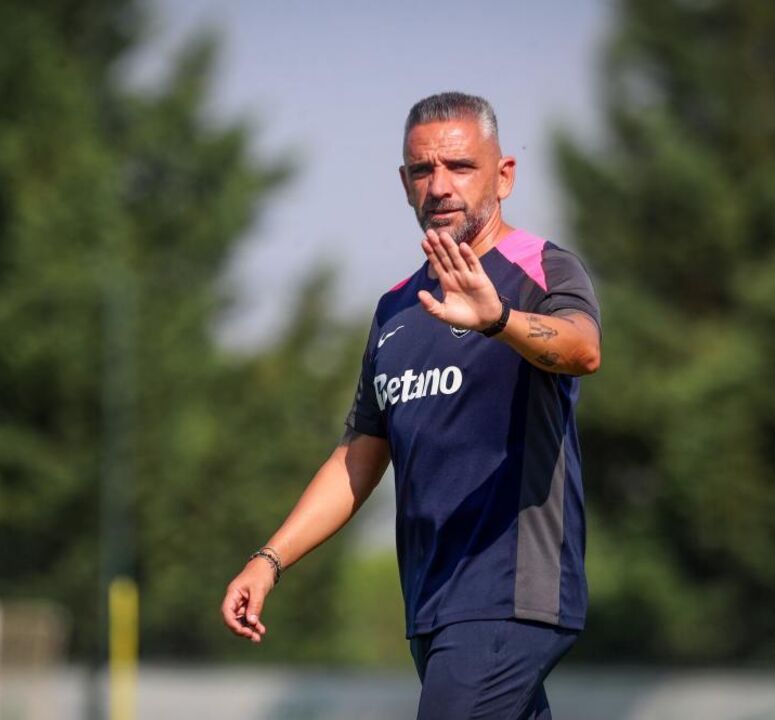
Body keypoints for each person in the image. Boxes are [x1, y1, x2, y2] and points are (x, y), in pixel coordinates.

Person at [221, 91, 601, 720]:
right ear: (404, 183)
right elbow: (359, 455)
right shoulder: (396, 308)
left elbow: (582, 349)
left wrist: (499, 320)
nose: (440, 186)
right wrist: (269, 560)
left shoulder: (541, 269)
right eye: (423, 170)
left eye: (460, 167)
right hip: (432, 602)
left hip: (511, 593)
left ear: (504, 174)